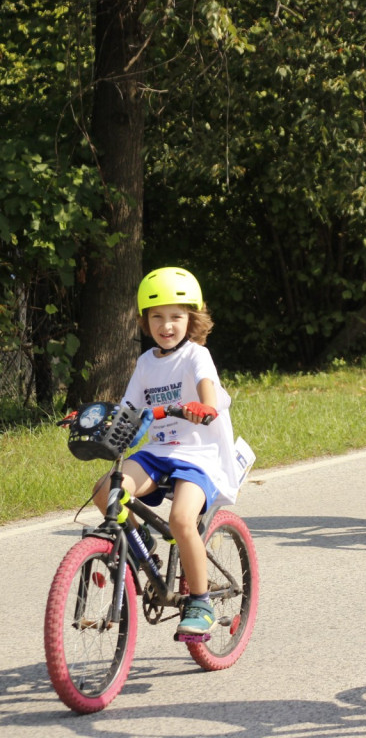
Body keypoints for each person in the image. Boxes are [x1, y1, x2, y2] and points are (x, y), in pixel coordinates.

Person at [91, 267, 239, 636]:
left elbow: (208, 391)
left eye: (176, 316)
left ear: (192, 318)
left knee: (182, 519)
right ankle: (145, 550)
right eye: (157, 316)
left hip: (199, 454)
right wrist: (96, 421)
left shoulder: (196, 356)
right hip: (159, 450)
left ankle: (201, 601)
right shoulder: (145, 364)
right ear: (145, 320)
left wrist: (203, 407)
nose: (166, 324)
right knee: (105, 491)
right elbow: (128, 408)